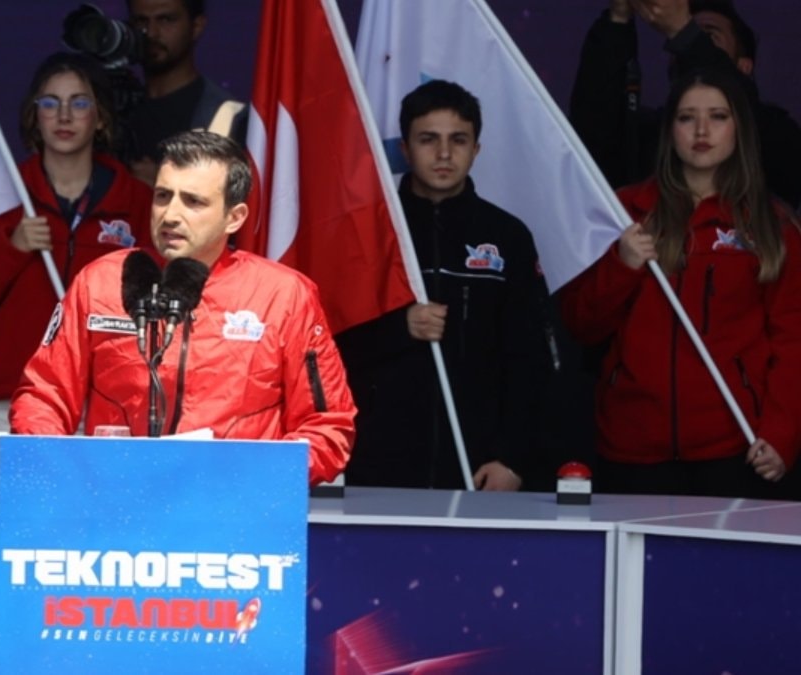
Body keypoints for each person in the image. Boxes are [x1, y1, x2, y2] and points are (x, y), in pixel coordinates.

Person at [9, 131, 355, 486]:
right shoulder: (100, 282)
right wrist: (65, 473)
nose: (170, 214)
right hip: (115, 499)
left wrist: (254, 480)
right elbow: (43, 396)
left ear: (234, 217)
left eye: (193, 202)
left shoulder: (284, 296)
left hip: (236, 506)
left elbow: (328, 427)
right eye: (163, 196)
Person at [561, 67, 801, 498]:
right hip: (632, 444)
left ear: (740, 129)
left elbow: (793, 340)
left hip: (737, 446)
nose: (702, 131)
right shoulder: (623, 212)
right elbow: (580, 325)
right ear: (669, 128)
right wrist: (622, 265)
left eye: (718, 117)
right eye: (687, 117)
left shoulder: (771, 223)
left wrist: (782, 432)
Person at [0, 53, 152, 478]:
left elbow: (157, 311)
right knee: (1, 519)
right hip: (6, 398)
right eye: (50, 103)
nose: (64, 116)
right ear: (34, 116)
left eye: (79, 102)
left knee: (99, 516)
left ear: (101, 118)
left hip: (104, 401)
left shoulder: (137, 202)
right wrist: (12, 249)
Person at [335, 81, 553, 491]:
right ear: (405, 148)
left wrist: (512, 458)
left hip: (479, 464)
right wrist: (400, 328)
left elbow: (531, 359)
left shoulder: (507, 235)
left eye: (458, 140)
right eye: (428, 139)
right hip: (377, 463)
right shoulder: (368, 231)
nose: (444, 154)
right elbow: (328, 344)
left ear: (477, 149)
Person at [570, 0, 801, 207]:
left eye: (709, 36)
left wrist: (682, 30)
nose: (701, 131)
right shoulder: (655, 133)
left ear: (744, 66)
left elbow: (750, 116)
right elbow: (592, 127)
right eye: (686, 118)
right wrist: (618, 19)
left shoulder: (775, 132)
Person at [124, 0, 246, 184]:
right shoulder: (112, 109)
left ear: (196, 26)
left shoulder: (228, 117)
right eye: (141, 21)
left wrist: (164, 186)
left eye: (166, 19)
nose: (151, 33)